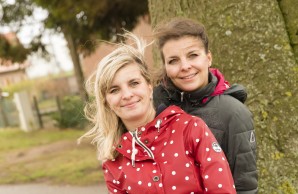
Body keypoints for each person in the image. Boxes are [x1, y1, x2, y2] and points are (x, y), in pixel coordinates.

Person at [79, 32, 236, 194]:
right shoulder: (113, 161)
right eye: (114, 90)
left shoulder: (190, 129)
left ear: (149, 87)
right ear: (106, 101)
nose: (126, 95)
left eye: (134, 83)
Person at [152, 17, 258, 194]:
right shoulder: (154, 107)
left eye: (193, 55)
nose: (185, 66)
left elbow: (245, 186)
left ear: (208, 58)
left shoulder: (234, 113)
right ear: (165, 67)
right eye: (173, 61)